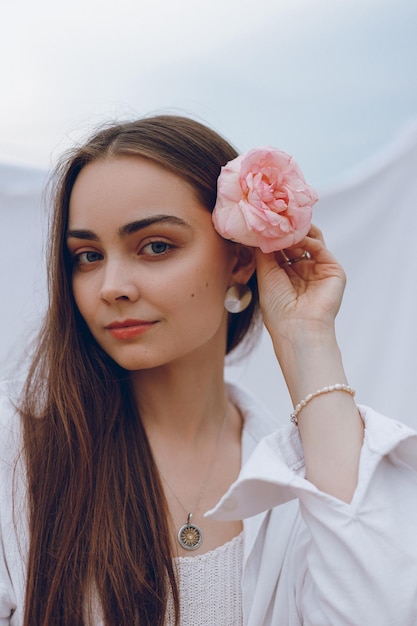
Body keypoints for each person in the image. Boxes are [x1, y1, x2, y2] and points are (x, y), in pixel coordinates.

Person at [0, 115, 416, 626]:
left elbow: (377, 611)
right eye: (87, 256)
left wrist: (308, 338)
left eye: (155, 246)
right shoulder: (16, 446)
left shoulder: (305, 475)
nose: (111, 285)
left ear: (240, 261)